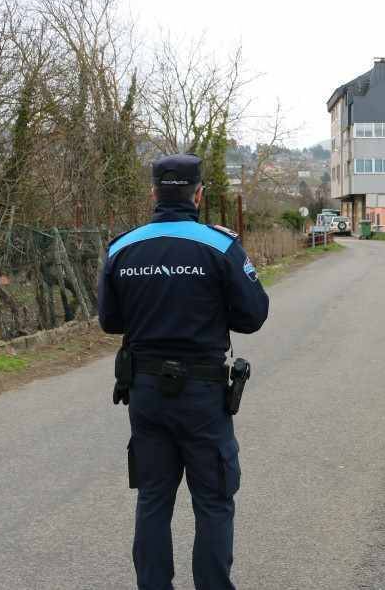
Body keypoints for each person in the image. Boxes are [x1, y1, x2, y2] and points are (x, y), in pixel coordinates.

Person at [98, 153, 269, 590]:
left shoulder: (122, 248)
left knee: (153, 498)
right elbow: (253, 315)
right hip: (203, 394)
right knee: (213, 499)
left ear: (154, 193)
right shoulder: (220, 246)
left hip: (145, 391)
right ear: (199, 194)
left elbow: (110, 322)